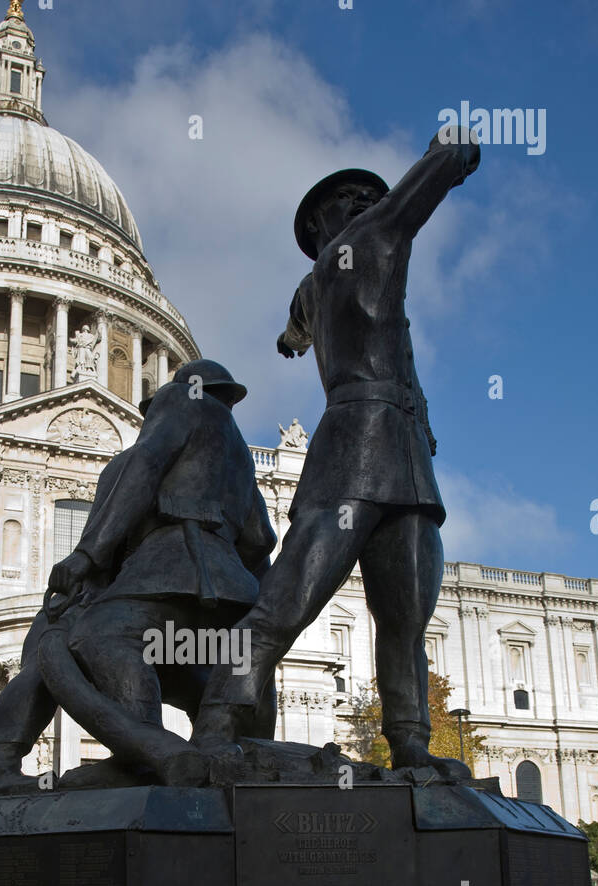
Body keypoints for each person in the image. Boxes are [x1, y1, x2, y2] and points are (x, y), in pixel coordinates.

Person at [192, 126, 481, 776]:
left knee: (404, 612)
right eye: (347, 200)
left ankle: (409, 741)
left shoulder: (313, 287)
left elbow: (293, 327)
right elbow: (414, 199)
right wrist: (451, 152)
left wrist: (290, 340)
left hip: (404, 457)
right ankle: (218, 715)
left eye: (366, 198)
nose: (361, 206)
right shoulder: (368, 243)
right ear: (322, 225)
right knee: (292, 594)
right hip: (356, 444)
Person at [0, 359, 275, 794]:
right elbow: (259, 542)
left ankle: (15, 762)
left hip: (169, 581)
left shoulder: (174, 410)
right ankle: (211, 754)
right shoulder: (240, 462)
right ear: (226, 394)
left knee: (70, 640)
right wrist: (259, 624)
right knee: (216, 671)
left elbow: (145, 469)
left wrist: (83, 557)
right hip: (217, 609)